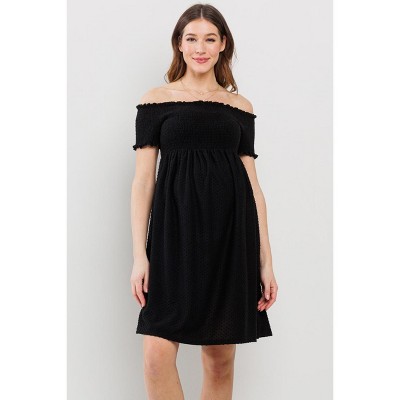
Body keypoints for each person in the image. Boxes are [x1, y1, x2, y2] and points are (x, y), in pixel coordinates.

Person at [130, 4, 278, 399]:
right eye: (192, 38)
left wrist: (266, 260)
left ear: (223, 44)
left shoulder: (239, 107)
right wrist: (140, 255)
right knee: (156, 356)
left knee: (219, 360)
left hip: (230, 239)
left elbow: (254, 187)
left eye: (210, 39)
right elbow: (143, 182)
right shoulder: (155, 101)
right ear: (179, 44)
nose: (200, 48)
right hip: (172, 239)